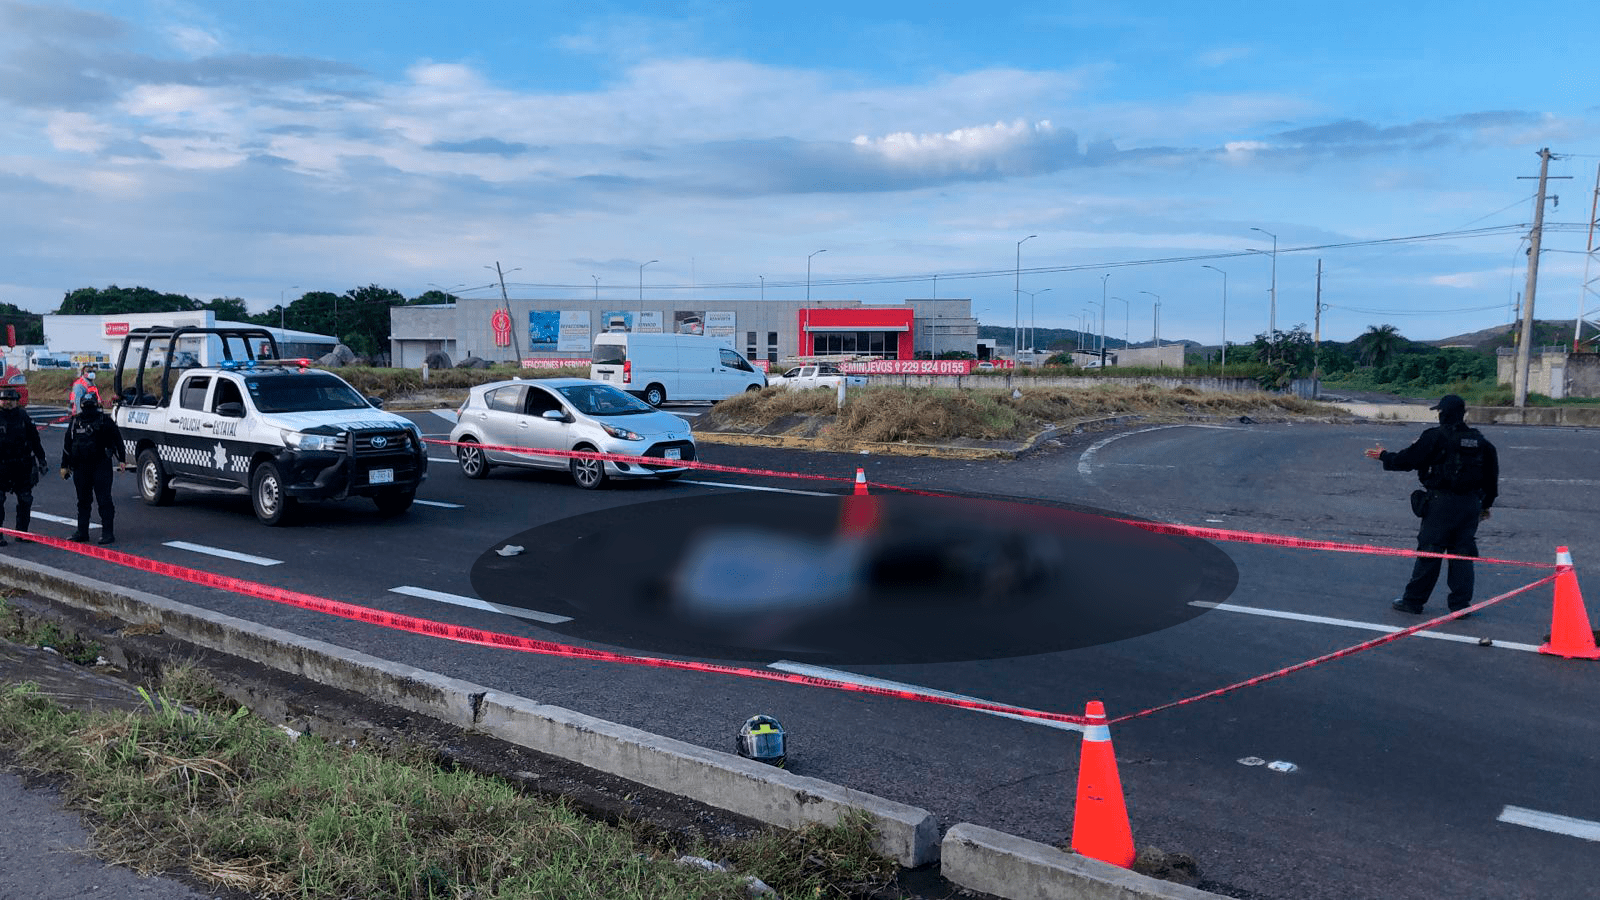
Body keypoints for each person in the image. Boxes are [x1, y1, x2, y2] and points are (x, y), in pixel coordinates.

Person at [1364, 394, 1499, 616]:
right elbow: (1491, 479)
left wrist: (1384, 456)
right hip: (1470, 505)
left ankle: (1413, 601)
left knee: (1430, 552)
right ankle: (1460, 605)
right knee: (1462, 555)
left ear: (1443, 414)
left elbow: (1408, 460)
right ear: (1462, 414)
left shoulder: (1436, 437)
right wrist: (1485, 505)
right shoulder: (1481, 442)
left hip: (1441, 503)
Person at [60, 393, 126, 545]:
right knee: (83, 501)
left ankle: (107, 533)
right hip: (81, 467)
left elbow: (117, 439)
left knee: (103, 500)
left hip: (101, 465)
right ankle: (82, 532)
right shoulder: (76, 421)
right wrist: (65, 465)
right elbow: (68, 444)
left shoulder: (104, 421)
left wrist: (122, 459)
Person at [0, 387, 47, 545]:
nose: (7, 402)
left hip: (22, 465)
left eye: (11, 400)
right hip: (1, 466)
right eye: (4, 399)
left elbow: (35, 439)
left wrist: (42, 460)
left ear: (16, 402)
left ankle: (22, 533)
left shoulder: (23, 416)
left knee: (25, 500)